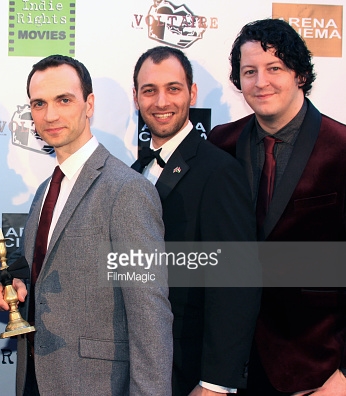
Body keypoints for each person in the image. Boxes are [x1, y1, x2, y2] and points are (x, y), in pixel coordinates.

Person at [0, 54, 172, 395]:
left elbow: (150, 316)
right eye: (39, 103)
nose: (51, 114)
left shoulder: (126, 190)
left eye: (64, 100)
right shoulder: (45, 191)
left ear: (89, 104)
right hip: (36, 380)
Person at [208, 19, 346, 395]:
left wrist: (344, 376)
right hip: (229, 368)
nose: (261, 82)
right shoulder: (221, 144)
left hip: (314, 370)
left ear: (300, 74)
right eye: (249, 71)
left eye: (274, 68)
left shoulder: (342, 148)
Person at [130, 46, 260, 396]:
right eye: (149, 90)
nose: (161, 101)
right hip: (141, 367)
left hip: (191, 372)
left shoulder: (219, 171)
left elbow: (237, 283)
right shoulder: (133, 173)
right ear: (136, 97)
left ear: (192, 93)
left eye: (173, 88)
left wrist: (216, 382)